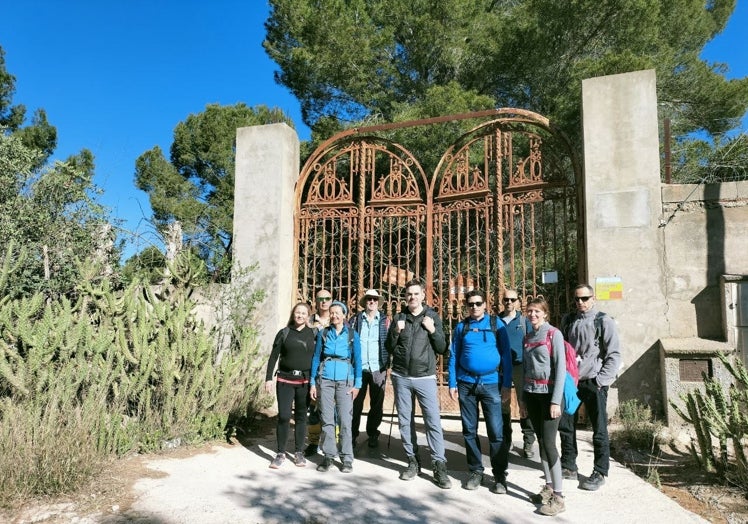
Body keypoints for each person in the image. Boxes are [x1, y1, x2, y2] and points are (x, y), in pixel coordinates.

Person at [385, 278, 451, 489]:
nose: (412, 297)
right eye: (408, 294)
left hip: (425, 377)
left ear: (423, 295)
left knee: (432, 421)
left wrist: (432, 330)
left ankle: (439, 465)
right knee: (405, 420)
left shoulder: (432, 317)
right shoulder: (399, 317)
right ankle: (412, 461)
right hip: (401, 376)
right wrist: (396, 332)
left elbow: (442, 348)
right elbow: (389, 346)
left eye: (416, 293)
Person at [448, 289, 512, 493]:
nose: (474, 307)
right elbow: (454, 356)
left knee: (496, 431)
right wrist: (452, 382)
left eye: (478, 303)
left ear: (485, 304)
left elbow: (506, 357)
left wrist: (506, 384)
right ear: (466, 306)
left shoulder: (496, 324)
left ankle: (500, 475)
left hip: (492, 383)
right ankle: (476, 471)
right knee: (469, 430)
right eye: (470, 304)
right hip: (466, 384)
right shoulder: (462, 327)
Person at [558, 284, 621, 491]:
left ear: (593, 298)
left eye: (585, 298)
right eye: (577, 299)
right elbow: (564, 350)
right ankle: (568, 465)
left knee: (599, 428)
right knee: (566, 425)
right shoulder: (568, 321)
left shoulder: (603, 321)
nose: (580, 302)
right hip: (572, 382)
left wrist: (600, 382)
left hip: (594, 381)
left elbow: (613, 355)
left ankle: (600, 471)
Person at [520, 297, 567, 516]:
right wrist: (522, 400)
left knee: (549, 443)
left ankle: (559, 496)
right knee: (541, 441)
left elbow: (561, 369)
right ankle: (548, 488)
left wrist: (556, 401)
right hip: (532, 395)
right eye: (530, 311)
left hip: (549, 396)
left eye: (537, 311)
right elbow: (526, 369)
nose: (533, 315)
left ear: (545, 314)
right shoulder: (528, 336)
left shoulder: (553, 334)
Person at [310, 300, 362, 473]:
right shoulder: (324, 333)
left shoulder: (352, 334)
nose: (334, 315)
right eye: (331, 313)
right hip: (325, 379)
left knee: (345, 420)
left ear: (344, 314)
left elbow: (358, 360)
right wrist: (312, 382)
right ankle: (328, 456)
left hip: (345, 380)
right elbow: (316, 357)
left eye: (337, 312)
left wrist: (358, 384)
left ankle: (347, 458)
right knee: (327, 419)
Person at [264, 303, 317, 469]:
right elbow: (273, 357)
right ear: (293, 314)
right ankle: (280, 453)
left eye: (303, 313)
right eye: (297, 313)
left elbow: (319, 358)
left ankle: (299, 452)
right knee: (284, 416)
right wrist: (268, 379)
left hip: (305, 381)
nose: (300, 315)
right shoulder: (284, 333)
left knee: (301, 417)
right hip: (285, 380)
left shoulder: (314, 334)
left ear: (308, 315)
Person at [349, 289, 390, 449]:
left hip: (378, 367)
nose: (371, 301)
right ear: (365, 302)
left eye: (374, 299)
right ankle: (352, 435)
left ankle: (373, 433)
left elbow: (391, 342)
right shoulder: (355, 320)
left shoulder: (386, 321)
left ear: (378, 302)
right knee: (355, 404)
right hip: (358, 368)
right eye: (369, 299)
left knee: (377, 404)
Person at [498, 289, 536, 462]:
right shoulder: (495, 320)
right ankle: (507, 439)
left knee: (524, 403)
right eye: (506, 299)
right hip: (500, 368)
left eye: (512, 299)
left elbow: (532, 341)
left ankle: (528, 441)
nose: (509, 302)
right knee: (502, 405)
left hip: (521, 366)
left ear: (518, 301)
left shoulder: (524, 320)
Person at [304, 288, 333, 457]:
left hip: (332, 370)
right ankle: (313, 442)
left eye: (327, 298)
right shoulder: (309, 321)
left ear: (331, 300)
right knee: (313, 409)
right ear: (315, 301)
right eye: (320, 298)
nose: (323, 301)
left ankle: (331, 442)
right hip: (314, 369)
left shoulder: (337, 318)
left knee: (332, 409)